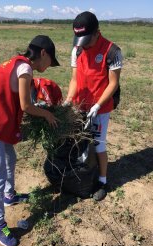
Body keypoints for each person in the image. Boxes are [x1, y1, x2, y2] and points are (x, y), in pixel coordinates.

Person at [0, 35, 60, 246]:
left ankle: (9, 196)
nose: (50, 66)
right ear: (43, 53)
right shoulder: (25, 69)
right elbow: (26, 106)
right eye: (50, 61)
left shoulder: (16, 62)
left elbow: (16, 100)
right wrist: (47, 115)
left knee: (10, 157)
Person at [64, 11, 122, 201]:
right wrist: (68, 100)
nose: (85, 44)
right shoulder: (77, 49)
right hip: (79, 104)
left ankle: (102, 181)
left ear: (98, 32)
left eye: (87, 39)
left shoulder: (113, 51)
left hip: (100, 109)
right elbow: (74, 79)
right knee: (77, 142)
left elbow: (113, 84)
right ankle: (81, 172)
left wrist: (97, 105)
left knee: (98, 145)